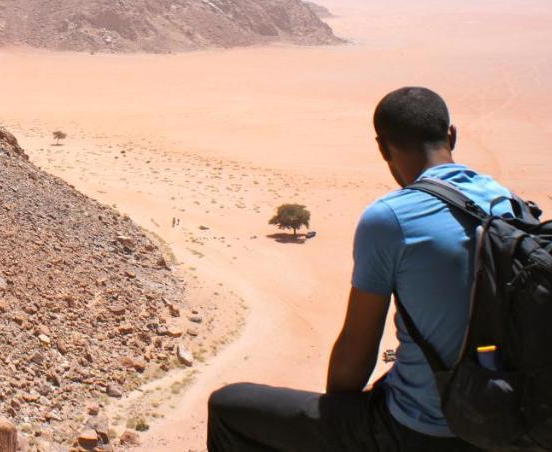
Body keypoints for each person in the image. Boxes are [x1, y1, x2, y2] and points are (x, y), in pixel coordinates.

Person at [207, 86, 514, 451]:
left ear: (383, 148)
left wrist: (337, 416)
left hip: (421, 431)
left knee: (227, 407)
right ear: (451, 135)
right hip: (505, 417)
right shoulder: (507, 203)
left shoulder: (391, 219)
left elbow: (357, 349)